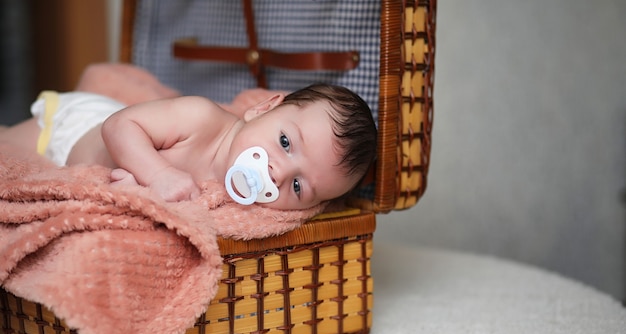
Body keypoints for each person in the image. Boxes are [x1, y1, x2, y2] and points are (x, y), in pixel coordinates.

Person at [0, 84, 377, 210]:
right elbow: (119, 126)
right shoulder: (200, 119)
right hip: (72, 129)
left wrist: (142, 193)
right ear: (262, 109)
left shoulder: (240, 203)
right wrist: (159, 174)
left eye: (298, 187)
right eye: (284, 142)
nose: (279, 173)